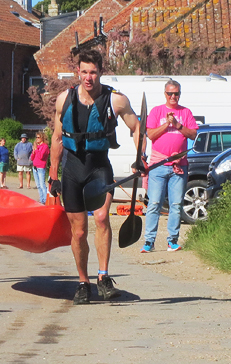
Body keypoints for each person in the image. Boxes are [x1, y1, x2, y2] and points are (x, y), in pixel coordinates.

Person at [49, 49, 142, 305]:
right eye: (84, 71)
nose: (88, 77)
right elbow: (57, 138)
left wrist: (139, 157)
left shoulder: (116, 101)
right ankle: (83, 282)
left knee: (101, 218)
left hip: (99, 166)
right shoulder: (64, 100)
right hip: (72, 168)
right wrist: (53, 175)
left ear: (100, 72)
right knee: (78, 232)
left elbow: (136, 128)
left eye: (93, 72)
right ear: (78, 71)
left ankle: (103, 277)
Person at [142, 80, 198, 253]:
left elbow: (193, 134)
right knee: (154, 203)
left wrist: (178, 125)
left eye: (176, 93)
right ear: (164, 94)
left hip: (179, 166)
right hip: (158, 165)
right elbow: (150, 134)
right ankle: (149, 241)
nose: (173, 97)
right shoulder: (156, 111)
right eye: (170, 93)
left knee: (176, 204)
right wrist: (167, 124)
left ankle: (172, 240)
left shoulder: (186, 112)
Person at [30, 132, 49, 204]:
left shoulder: (45, 146)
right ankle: (41, 199)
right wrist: (34, 151)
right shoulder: (36, 147)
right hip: (35, 167)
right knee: (38, 185)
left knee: (42, 184)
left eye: (38, 137)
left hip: (41, 167)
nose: (37, 139)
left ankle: (45, 199)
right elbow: (32, 158)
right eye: (36, 137)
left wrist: (36, 150)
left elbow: (41, 156)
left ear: (42, 138)